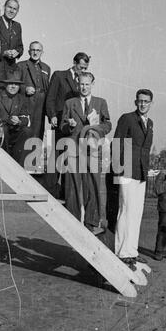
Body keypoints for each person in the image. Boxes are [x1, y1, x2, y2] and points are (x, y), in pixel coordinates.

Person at [60, 72, 111, 234]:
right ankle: (72, 223)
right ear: (77, 84)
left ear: (93, 84)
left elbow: (108, 124)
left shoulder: (100, 103)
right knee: (72, 188)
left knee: (93, 187)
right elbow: (62, 127)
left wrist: (96, 127)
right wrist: (70, 125)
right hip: (74, 149)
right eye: (81, 84)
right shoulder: (69, 103)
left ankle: (91, 222)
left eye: (87, 84)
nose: (84, 87)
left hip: (93, 150)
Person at [112, 89, 154, 269]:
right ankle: (122, 253)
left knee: (136, 213)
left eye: (146, 101)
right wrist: (118, 171)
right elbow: (117, 143)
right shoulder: (127, 118)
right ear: (135, 102)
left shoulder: (150, 123)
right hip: (126, 171)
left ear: (151, 103)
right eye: (140, 101)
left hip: (141, 172)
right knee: (126, 210)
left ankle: (132, 252)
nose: (143, 104)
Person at [45, 52, 90, 198]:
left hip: (75, 128)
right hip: (59, 123)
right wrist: (52, 115)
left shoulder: (83, 81)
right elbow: (50, 98)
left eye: (85, 68)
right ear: (74, 63)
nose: (82, 71)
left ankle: (65, 196)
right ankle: (50, 193)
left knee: (69, 161)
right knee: (55, 160)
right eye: (81, 67)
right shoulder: (59, 75)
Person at [18, 41, 51, 141]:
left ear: (42, 52)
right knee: (26, 131)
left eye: (38, 50)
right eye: (33, 50)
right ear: (28, 52)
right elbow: (13, 84)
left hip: (40, 106)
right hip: (26, 103)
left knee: (38, 133)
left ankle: (35, 155)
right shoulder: (21, 66)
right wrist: (24, 89)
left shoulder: (46, 68)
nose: (35, 53)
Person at [0, 0, 23, 81]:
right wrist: (3, 53)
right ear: (4, 7)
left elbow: (20, 47)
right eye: (9, 7)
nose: (11, 11)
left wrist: (17, 52)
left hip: (11, 70)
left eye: (14, 9)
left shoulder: (17, 26)